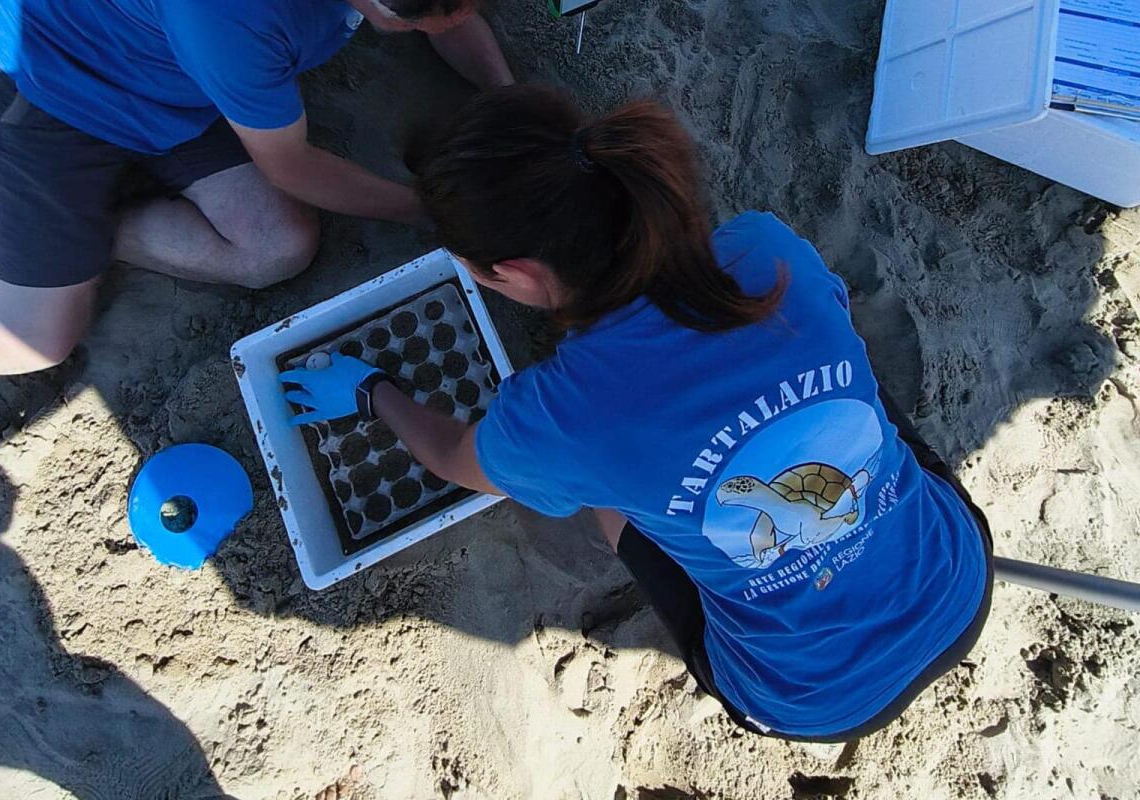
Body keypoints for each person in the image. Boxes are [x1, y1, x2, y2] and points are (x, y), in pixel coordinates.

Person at [285, 85, 994, 741]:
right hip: (959, 582)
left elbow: (450, 460)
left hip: (807, 699)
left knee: (604, 495)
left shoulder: (561, 416)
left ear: (521, 275)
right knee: (839, 376)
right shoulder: (764, 248)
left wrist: (371, 391)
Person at [0, 0, 515, 380]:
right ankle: (34, 246)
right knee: (31, 339)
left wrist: (507, 97)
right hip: (54, 67)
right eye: (416, 23)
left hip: (169, 51)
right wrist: (429, 209)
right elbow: (290, 165)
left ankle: (77, 230)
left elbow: (449, 16)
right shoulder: (234, 9)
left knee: (277, 247)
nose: (436, 27)